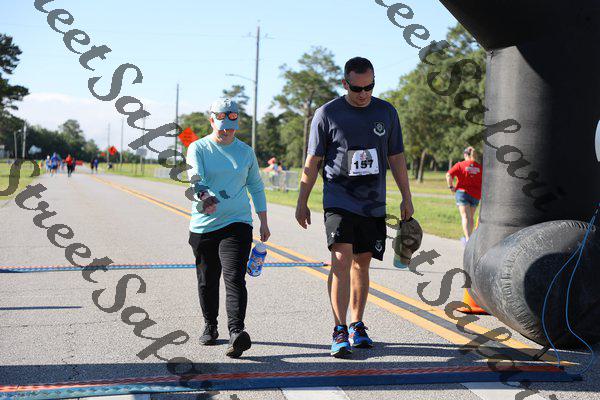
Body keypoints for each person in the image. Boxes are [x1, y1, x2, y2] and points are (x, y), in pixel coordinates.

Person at [295, 57, 414, 358]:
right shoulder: (327, 114)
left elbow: (396, 156)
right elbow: (313, 160)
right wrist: (302, 200)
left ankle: (357, 325)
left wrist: (406, 196)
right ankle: (339, 328)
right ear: (345, 83)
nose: (363, 94)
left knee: (362, 262)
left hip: (372, 202)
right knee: (341, 259)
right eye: (357, 88)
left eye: (369, 87)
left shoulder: (386, 112)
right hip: (339, 199)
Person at [186, 97, 270, 358]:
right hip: (204, 225)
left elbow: (255, 185)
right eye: (221, 126)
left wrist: (263, 219)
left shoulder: (245, 152)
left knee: (234, 277)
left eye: (231, 127)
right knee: (207, 280)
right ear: (212, 121)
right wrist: (205, 197)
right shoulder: (198, 148)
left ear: (237, 123)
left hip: (238, 222)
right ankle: (210, 326)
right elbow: (195, 177)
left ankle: (236, 332)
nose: (226, 131)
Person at [446, 146, 483, 245]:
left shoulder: (460, 165)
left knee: (465, 217)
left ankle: (467, 239)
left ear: (465, 154)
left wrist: (451, 187)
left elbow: (448, 175)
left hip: (462, 193)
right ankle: (469, 239)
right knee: (470, 217)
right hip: (476, 195)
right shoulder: (479, 167)